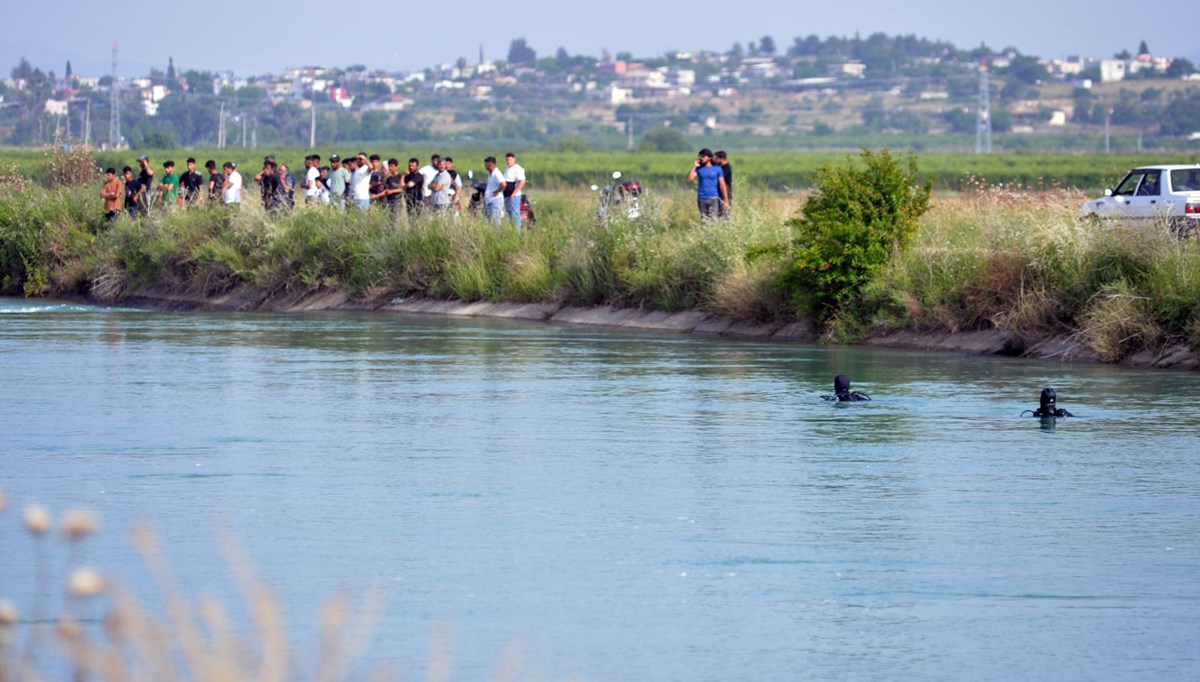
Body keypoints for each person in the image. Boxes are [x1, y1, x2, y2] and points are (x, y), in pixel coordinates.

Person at [686, 148, 728, 220]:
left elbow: (722, 185)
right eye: (700, 156)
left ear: (709, 157)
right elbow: (689, 179)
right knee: (705, 221)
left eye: (703, 156)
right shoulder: (699, 169)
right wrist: (694, 166)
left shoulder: (717, 169)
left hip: (713, 198)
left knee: (713, 220)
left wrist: (726, 200)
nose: (701, 158)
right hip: (702, 198)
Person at [503, 152, 526, 228]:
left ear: (514, 160)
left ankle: (517, 233)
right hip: (506, 195)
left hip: (514, 196)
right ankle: (513, 229)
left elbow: (522, 181)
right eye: (507, 160)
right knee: (509, 214)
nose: (508, 161)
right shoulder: (507, 168)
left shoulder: (518, 169)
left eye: (510, 160)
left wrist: (514, 193)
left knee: (515, 214)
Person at [483, 156, 506, 224]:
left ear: (490, 164)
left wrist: (497, 191)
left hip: (496, 201)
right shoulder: (490, 173)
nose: (485, 166)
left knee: (496, 221)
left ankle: (498, 234)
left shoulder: (497, 173)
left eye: (486, 165)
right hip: (489, 201)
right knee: (486, 221)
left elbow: (503, 184)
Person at [714, 150, 733, 217]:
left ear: (722, 159)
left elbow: (720, 179)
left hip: (725, 193)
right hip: (719, 194)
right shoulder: (720, 167)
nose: (715, 160)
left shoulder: (727, 168)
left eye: (716, 159)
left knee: (725, 215)